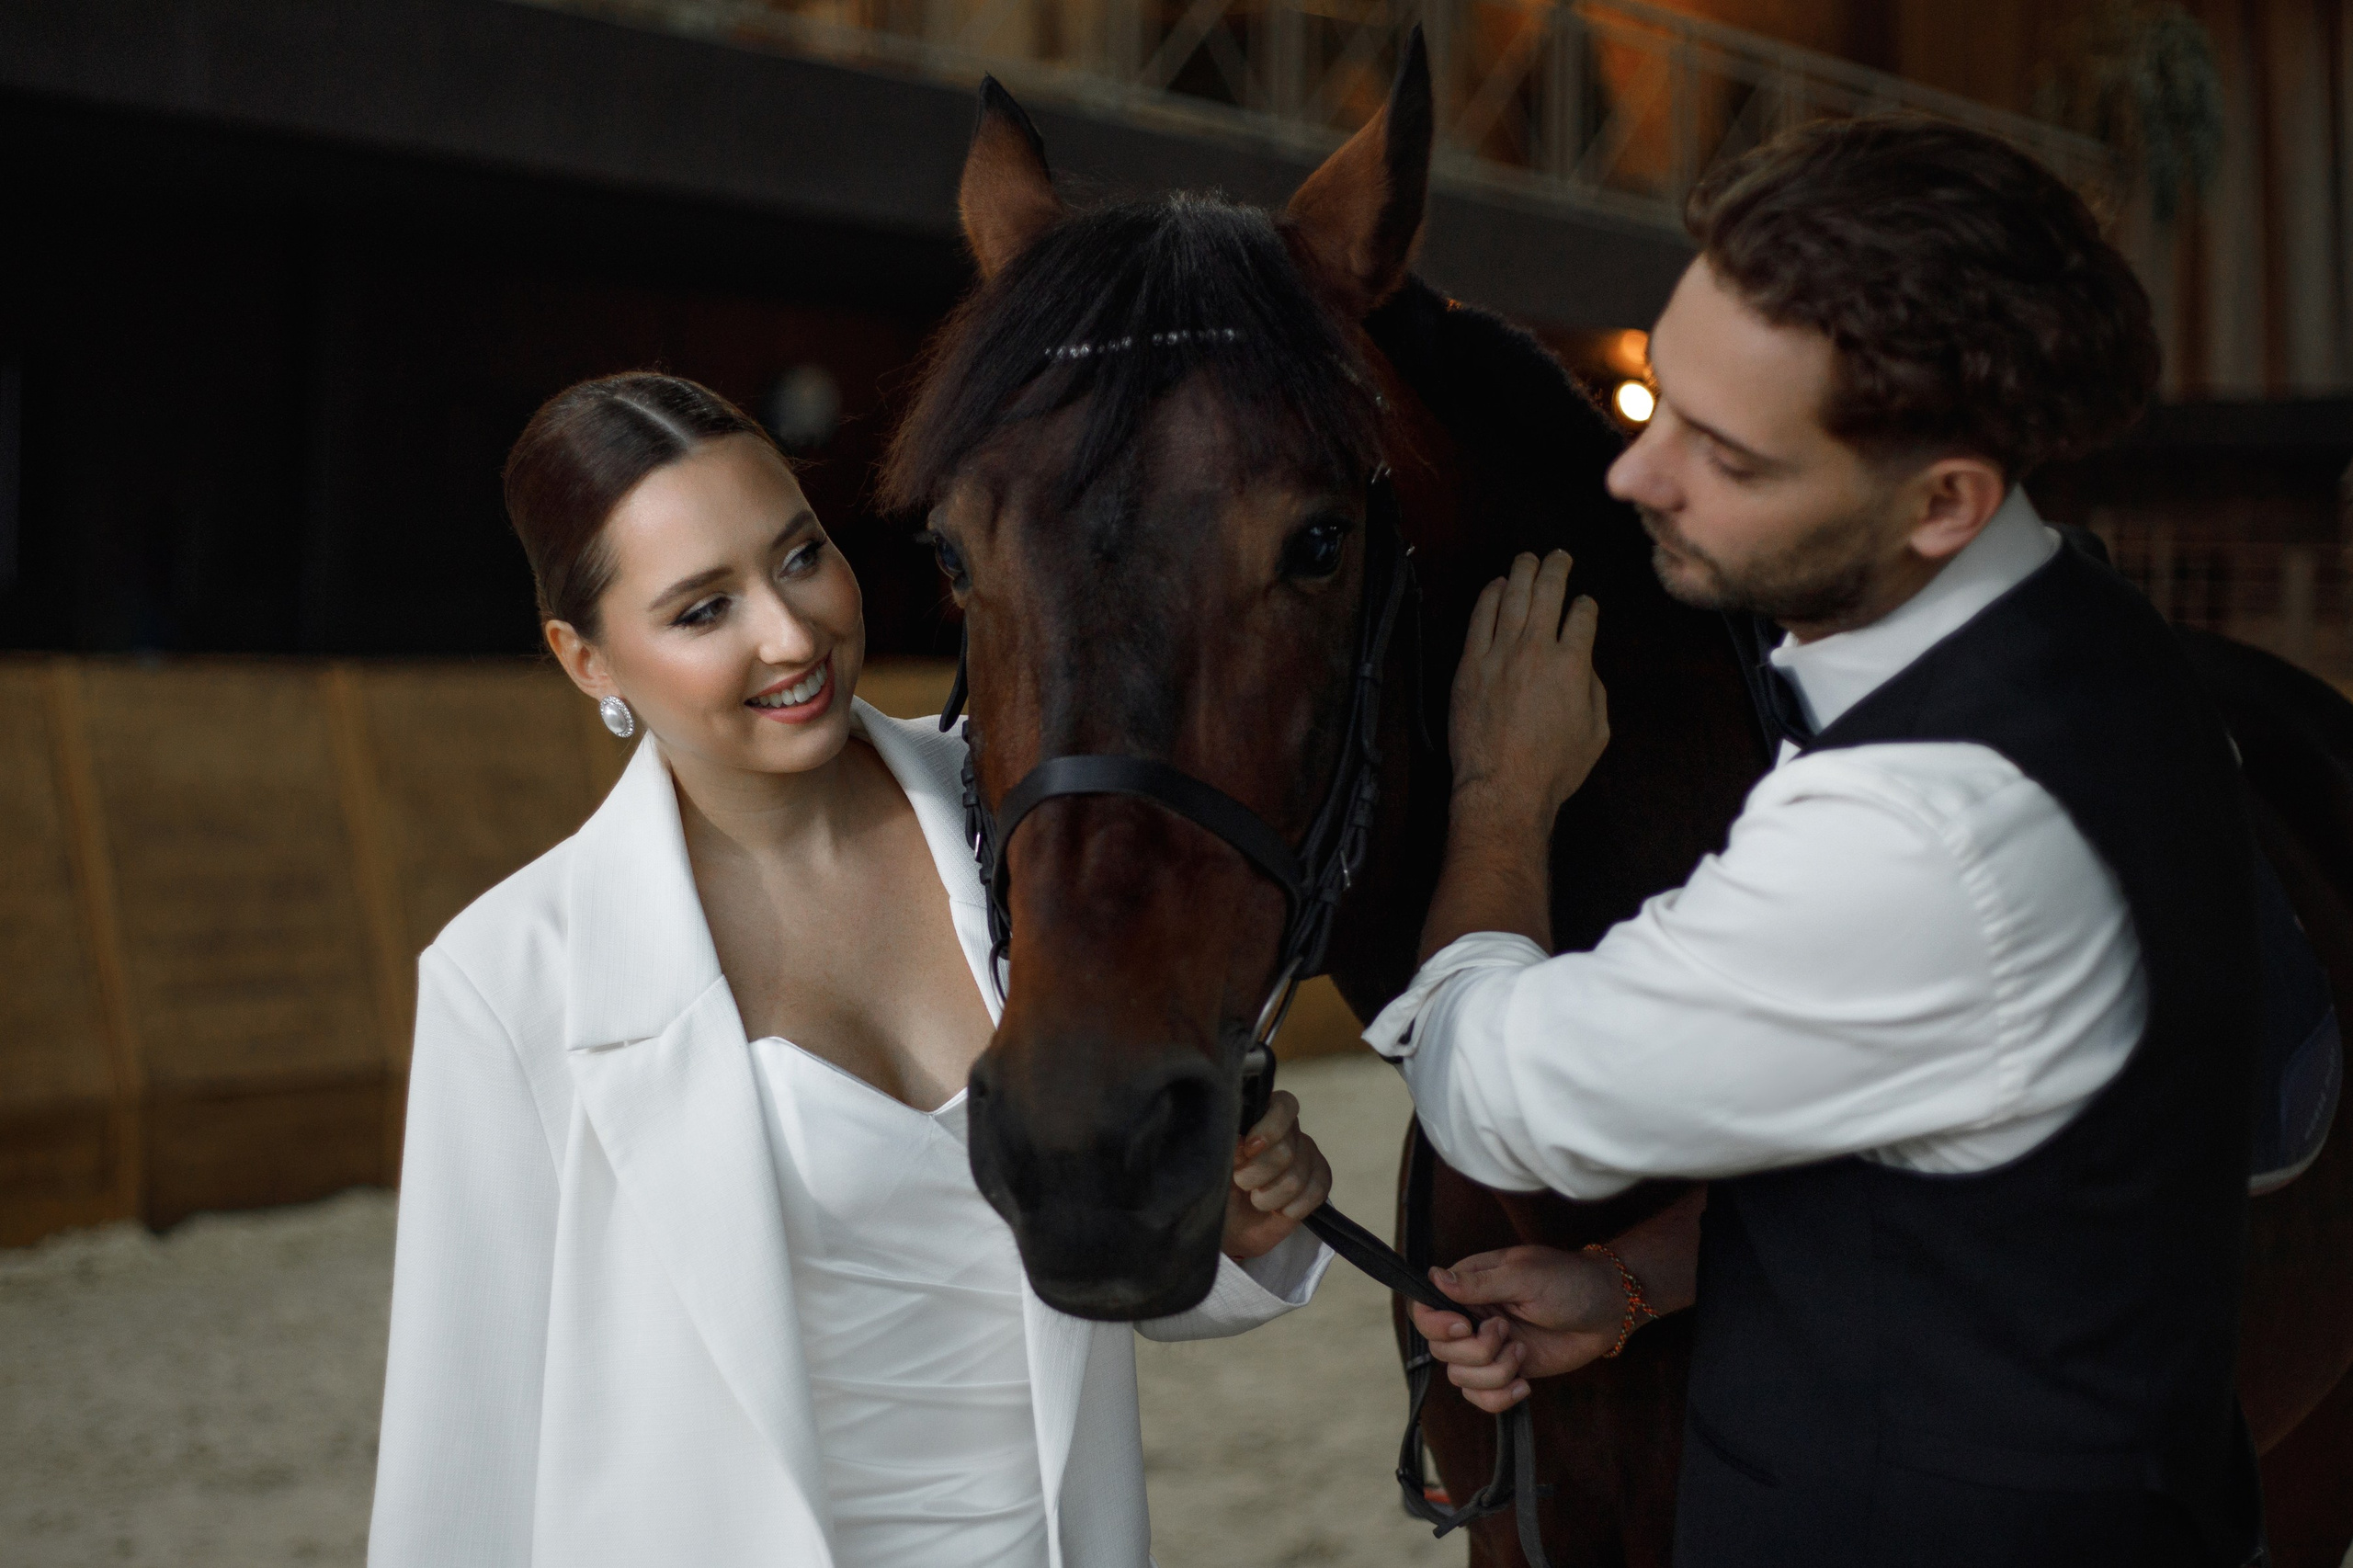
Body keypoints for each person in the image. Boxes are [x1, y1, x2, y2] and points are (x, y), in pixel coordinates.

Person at [1375, 119, 2266, 1565]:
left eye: (1724, 454)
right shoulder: (2091, 633)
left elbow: (1491, 1091)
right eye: (1660, 397)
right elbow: (1941, 1152)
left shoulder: (1922, 831)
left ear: (1943, 502)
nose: (1636, 475)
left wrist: (1499, 796)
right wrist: (1632, 1280)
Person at [367, 373, 1334, 1568]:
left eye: (800, 555)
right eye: (703, 610)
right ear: (588, 661)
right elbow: (463, 1456)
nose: (790, 634)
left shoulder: (1030, 822)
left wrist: (1232, 1228)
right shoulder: (508, 978)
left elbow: (1099, 1259)